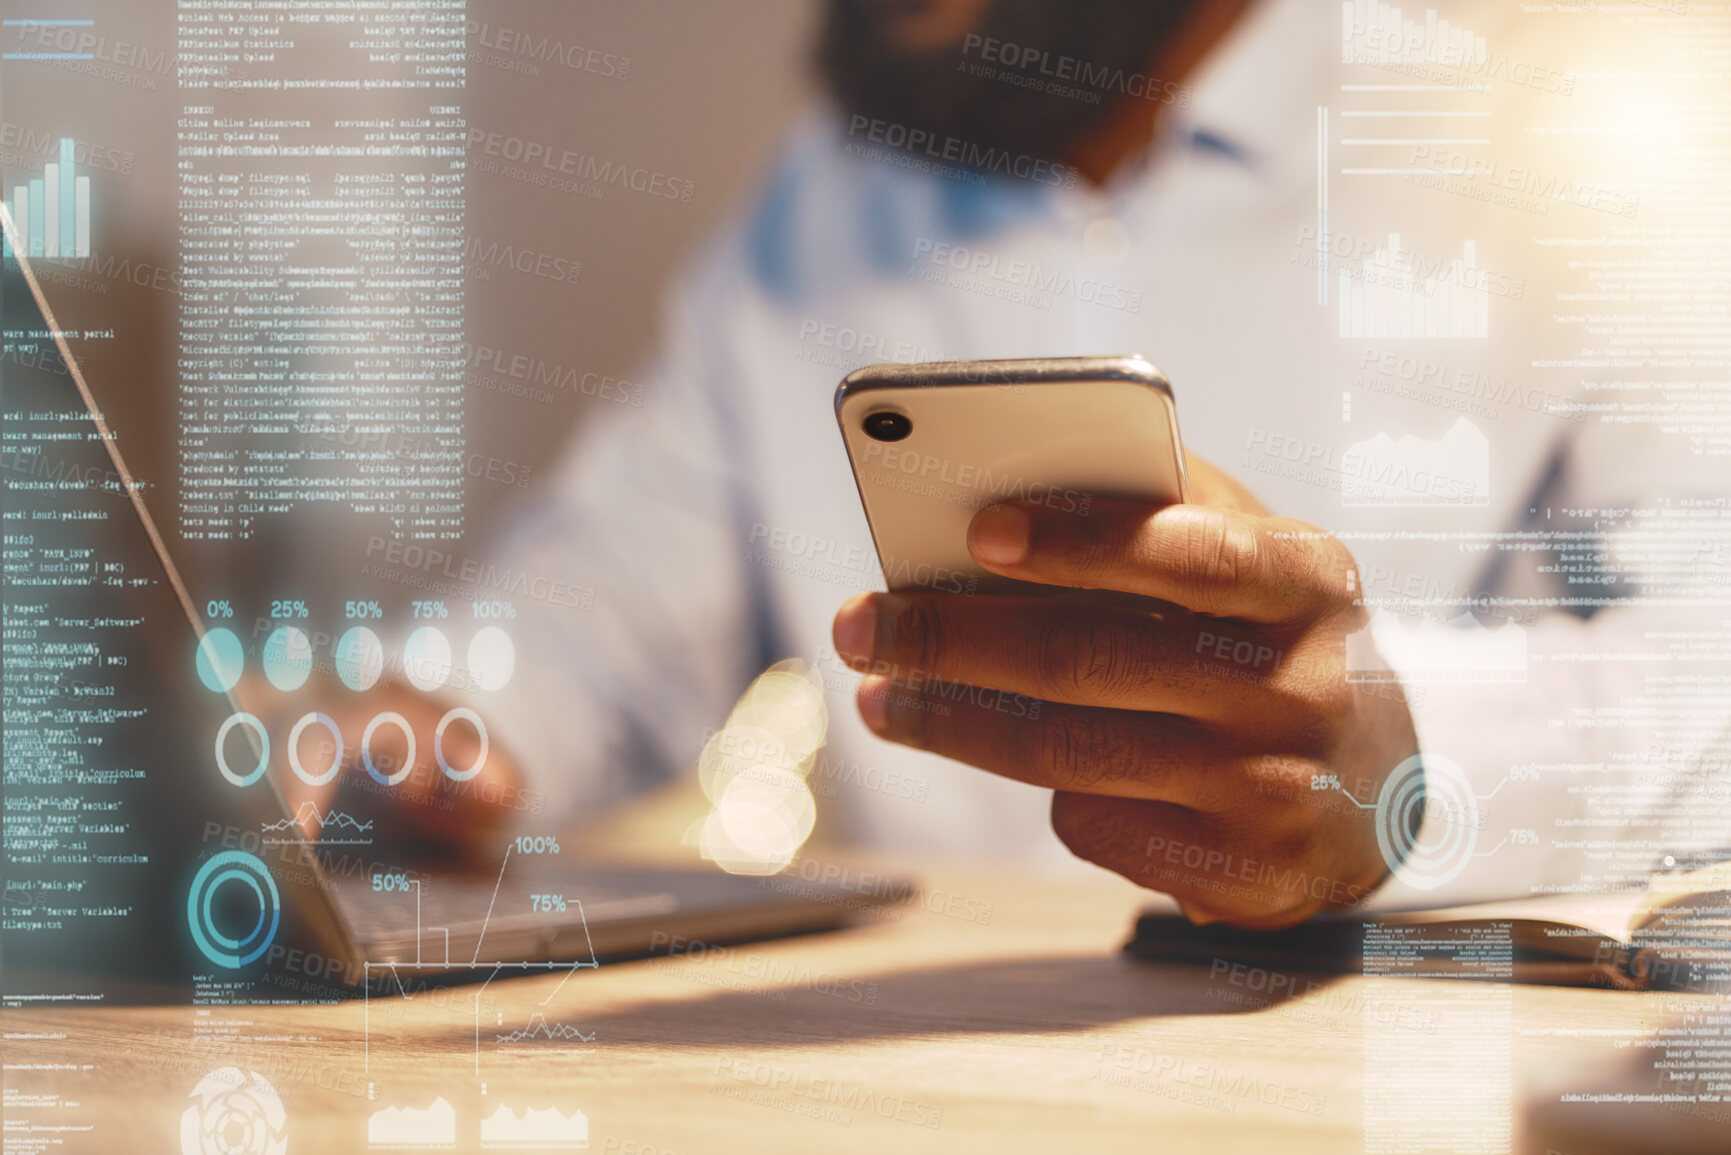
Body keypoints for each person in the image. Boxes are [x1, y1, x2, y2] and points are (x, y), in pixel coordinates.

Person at [288, 0, 1730, 927]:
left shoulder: (1601, 117)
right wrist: (430, 732)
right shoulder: (828, 190)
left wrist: (1409, 758)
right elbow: (604, 592)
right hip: (929, 1087)